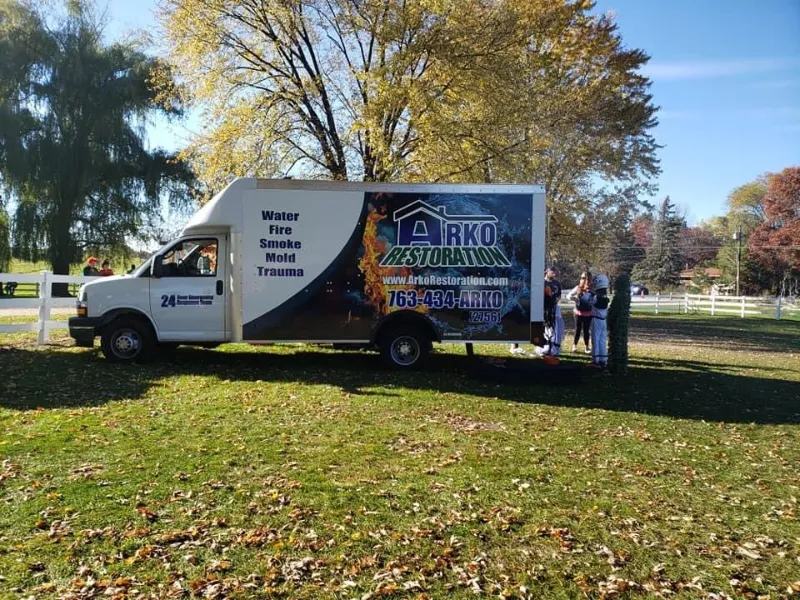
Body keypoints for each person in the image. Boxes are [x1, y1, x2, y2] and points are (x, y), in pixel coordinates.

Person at [588, 274, 610, 368]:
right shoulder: (606, 298)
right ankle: (603, 359)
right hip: (603, 321)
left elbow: (589, 301)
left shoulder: (595, 298)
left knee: (595, 339)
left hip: (596, 320)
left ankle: (596, 360)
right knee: (602, 339)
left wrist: (590, 290)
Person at [567, 271, 593, 354]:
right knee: (577, 329)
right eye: (582, 278)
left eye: (585, 278)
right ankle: (574, 346)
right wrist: (576, 299)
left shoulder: (592, 288)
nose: (583, 280)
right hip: (578, 313)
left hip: (588, 314)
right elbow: (568, 296)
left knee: (586, 330)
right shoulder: (578, 288)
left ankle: (587, 347)